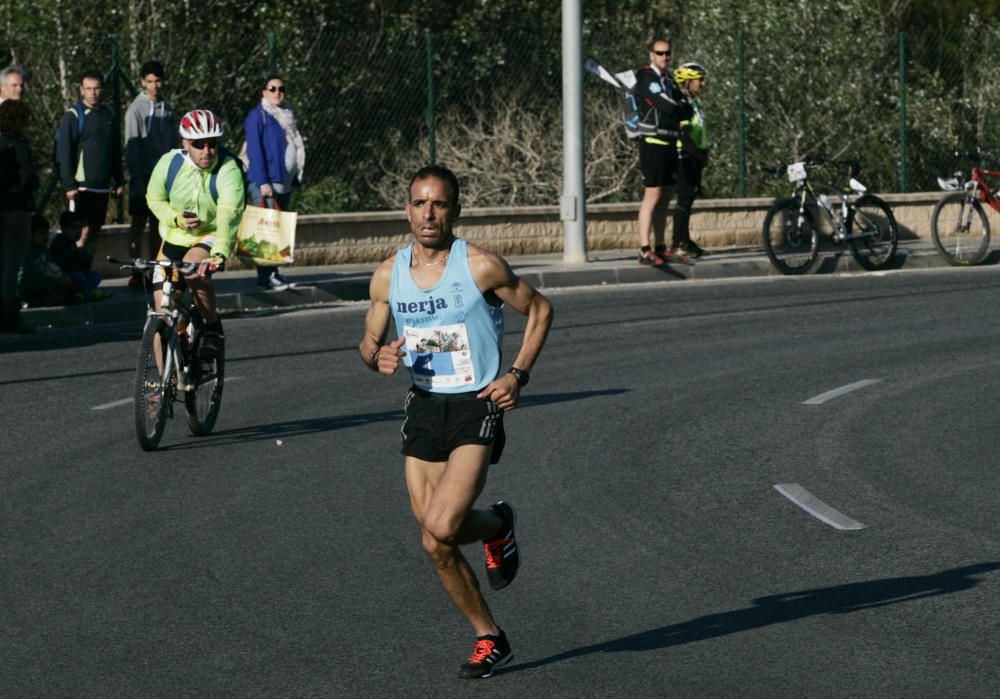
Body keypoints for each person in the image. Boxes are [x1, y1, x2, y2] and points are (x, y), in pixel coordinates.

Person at [359, 164, 553, 680]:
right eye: (420, 203)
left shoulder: (481, 267)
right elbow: (369, 339)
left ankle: (496, 528)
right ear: (407, 210)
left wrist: (517, 375)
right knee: (435, 537)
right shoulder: (387, 275)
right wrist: (376, 355)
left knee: (438, 530)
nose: (429, 214)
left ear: (455, 211)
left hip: (476, 403)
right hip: (424, 406)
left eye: (439, 204)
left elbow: (539, 310)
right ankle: (490, 633)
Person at [145, 109, 246, 359]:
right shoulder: (169, 163)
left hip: (209, 235)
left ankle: (212, 328)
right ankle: (161, 386)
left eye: (212, 143)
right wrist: (174, 218)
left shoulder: (228, 169)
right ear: (185, 143)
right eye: (199, 144)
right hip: (174, 236)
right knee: (160, 311)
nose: (207, 150)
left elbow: (228, 214)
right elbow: (154, 198)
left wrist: (219, 253)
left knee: (193, 267)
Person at [56, 70, 124, 271]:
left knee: (93, 233)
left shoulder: (108, 115)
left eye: (97, 88)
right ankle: (73, 274)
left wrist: (119, 181)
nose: (93, 93)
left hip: (101, 188)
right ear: (81, 90)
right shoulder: (74, 116)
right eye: (89, 88)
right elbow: (64, 152)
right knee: (79, 233)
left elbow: (114, 151)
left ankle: (85, 275)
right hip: (81, 188)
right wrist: (69, 184)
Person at [633, 38, 693, 266]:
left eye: (668, 53)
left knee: (666, 195)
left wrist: (679, 108)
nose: (664, 57)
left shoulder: (667, 79)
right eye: (660, 53)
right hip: (653, 141)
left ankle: (660, 246)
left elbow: (685, 106)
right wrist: (679, 108)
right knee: (653, 194)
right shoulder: (646, 78)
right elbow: (667, 105)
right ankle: (644, 248)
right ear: (651, 55)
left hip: (669, 141)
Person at [244, 75, 304, 290]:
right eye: (272, 88)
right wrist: (262, 182)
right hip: (266, 182)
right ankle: (265, 277)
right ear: (264, 92)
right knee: (266, 230)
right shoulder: (257, 117)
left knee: (278, 230)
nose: (277, 92)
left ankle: (275, 273)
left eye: (281, 88)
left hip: (284, 181)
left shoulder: (287, 116)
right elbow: (255, 151)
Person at [124, 60, 176, 289]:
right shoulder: (136, 109)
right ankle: (136, 270)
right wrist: (138, 177)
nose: (154, 85)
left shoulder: (168, 108)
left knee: (159, 225)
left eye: (157, 81)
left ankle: (157, 267)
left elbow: (174, 142)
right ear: (143, 82)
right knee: (137, 223)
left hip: (164, 177)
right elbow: (131, 146)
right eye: (150, 81)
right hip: (143, 176)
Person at [0, 99, 38, 332]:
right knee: (12, 265)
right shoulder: (18, 144)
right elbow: (27, 178)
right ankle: (10, 316)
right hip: (16, 209)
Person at [672, 62, 709, 259]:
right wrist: (698, 154)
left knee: (689, 199)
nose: (702, 83)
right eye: (699, 80)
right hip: (685, 156)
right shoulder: (683, 102)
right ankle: (677, 242)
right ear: (687, 82)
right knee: (683, 200)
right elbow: (683, 135)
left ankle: (685, 239)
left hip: (696, 155)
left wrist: (704, 154)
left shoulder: (694, 102)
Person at [19, 214, 88, 307]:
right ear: (31, 234)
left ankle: (66, 297)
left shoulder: (44, 249)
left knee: (76, 283)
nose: (46, 237)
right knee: (41, 286)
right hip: (35, 284)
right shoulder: (26, 251)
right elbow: (33, 274)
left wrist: (64, 275)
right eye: (42, 233)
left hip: (52, 282)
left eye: (47, 233)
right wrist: (55, 282)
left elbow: (54, 265)